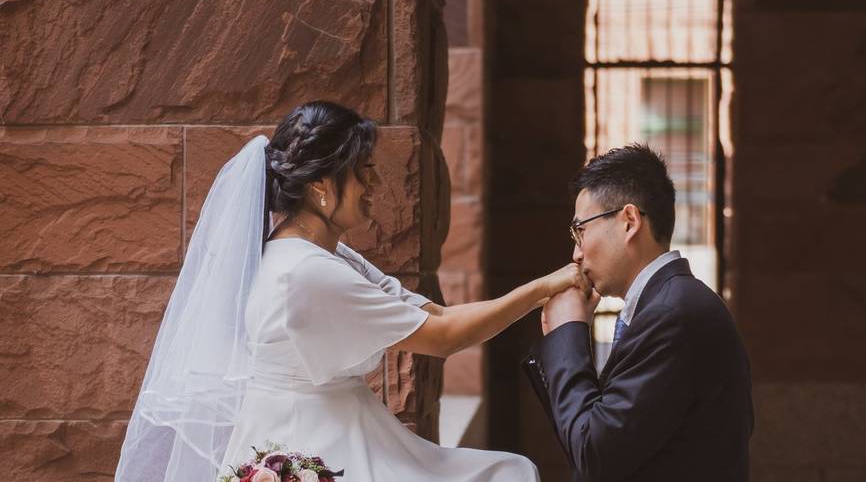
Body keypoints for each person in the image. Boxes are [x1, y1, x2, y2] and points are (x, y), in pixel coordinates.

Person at [116, 101, 587, 481]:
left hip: (341, 430)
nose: (375, 184)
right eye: (364, 171)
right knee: (507, 474)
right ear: (322, 184)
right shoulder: (306, 273)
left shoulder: (319, 255)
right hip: (316, 446)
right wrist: (547, 286)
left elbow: (433, 314)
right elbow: (442, 337)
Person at [525, 144, 753, 481]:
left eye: (580, 231)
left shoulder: (672, 315)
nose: (575, 253)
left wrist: (568, 332)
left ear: (629, 221)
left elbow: (593, 453)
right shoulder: (668, 303)